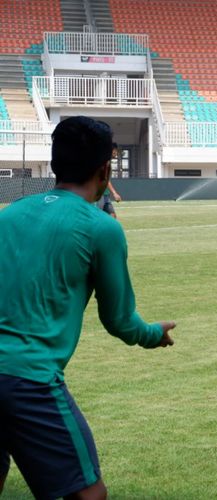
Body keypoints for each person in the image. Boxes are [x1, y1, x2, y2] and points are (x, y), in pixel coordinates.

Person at [0, 116, 176, 499]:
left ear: (54, 164)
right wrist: (152, 335)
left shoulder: (9, 214)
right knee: (88, 493)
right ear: (104, 169)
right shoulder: (101, 228)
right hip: (27, 380)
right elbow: (118, 320)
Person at [96, 143, 122, 218]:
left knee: (113, 216)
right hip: (99, 195)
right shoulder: (104, 162)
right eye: (115, 151)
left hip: (106, 195)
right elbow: (105, 179)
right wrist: (114, 193)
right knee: (98, 218)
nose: (116, 153)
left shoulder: (108, 162)